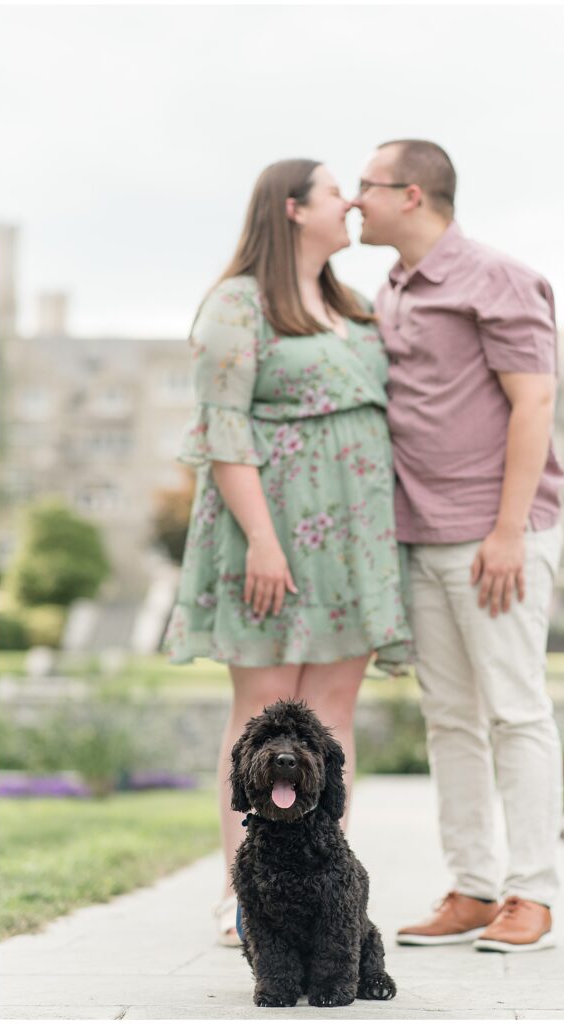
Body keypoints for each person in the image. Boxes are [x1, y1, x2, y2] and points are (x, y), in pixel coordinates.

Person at [163, 158, 411, 945]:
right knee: (258, 721)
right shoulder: (237, 305)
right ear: (295, 209)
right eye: (339, 192)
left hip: (354, 544)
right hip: (268, 534)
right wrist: (264, 543)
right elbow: (222, 433)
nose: (352, 205)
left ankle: (321, 892)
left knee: (332, 721)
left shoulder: (355, 306)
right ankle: (247, 898)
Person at [352, 139, 564, 953]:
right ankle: (473, 888)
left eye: (365, 186)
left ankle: (532, 895)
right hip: (420, 533)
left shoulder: (496, 277)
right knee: (449, 719)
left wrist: (508, 531)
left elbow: (534, 400)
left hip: (494, 534)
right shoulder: (393, 286)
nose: (354, 201)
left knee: (515, 711)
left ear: (411, 195)